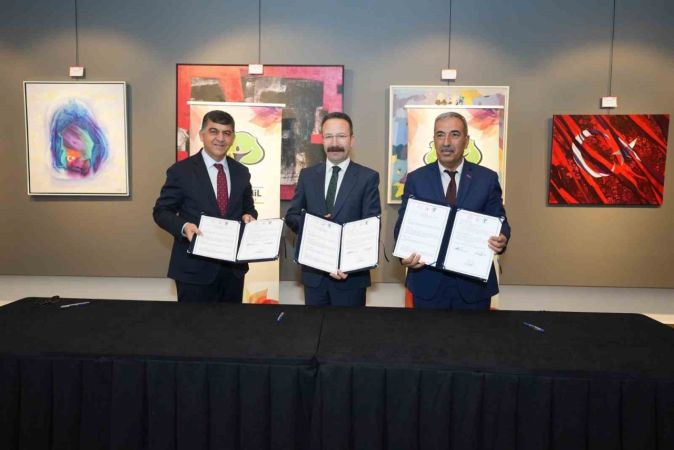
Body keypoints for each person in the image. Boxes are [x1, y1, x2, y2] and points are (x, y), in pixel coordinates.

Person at [394, 111, 510, 310]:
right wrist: (404, 254)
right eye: (440, 135)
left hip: (473, 286)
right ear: (434, 140)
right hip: (427, 284)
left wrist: (502, 237)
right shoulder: (416, 179)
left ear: (466, 140)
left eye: (454, 134)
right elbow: (402, 226)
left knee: (474, 333)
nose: (446, 142)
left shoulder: (487, 179)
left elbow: (500, 221)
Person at [153, 110, 257, 303]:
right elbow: (161, 211)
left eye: (226, 133)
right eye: (213, 131)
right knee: (194, 323)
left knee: (233, 322)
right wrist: (184, 227)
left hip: (232, 271)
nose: (220, 138)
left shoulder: (241, 172)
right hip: (193, 270)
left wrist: (249, 216)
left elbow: (248, 208)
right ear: (202, 135)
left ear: (233, 138)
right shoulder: (181, 171)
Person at [285, 112, 381, 306]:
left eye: (341, 136)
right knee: (313, 326)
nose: (334, 143)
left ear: (352, 140)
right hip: (314, 276)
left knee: (348, 327)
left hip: (350, 278)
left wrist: (348, 264)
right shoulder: (307, 176)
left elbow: (371, 226)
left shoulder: (367, 178)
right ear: (322, 140)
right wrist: (315, 225)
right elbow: (292, 216)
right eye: (329, 136)